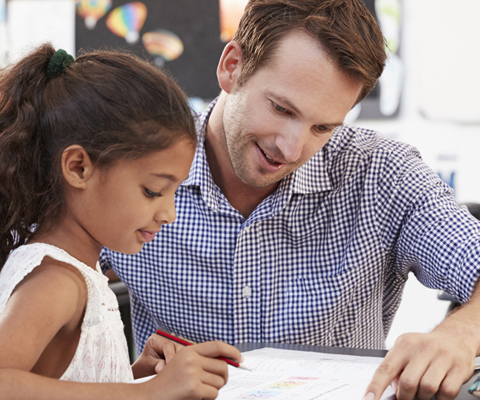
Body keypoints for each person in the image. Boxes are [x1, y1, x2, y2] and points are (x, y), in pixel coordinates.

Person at [100, 1, 480, 399]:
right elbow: (37, 276)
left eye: (323, 127)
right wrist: (132, 380)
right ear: (232, 66)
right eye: (281, 108)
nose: (292, 148)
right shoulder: (138, 166)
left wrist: (462, 333)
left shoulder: (383, 174)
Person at [0, 43, 242, 400]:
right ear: (79, 168)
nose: (169, 214)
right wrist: (151, 393)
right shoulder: (56, 280)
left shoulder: (77, 270)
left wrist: (137, 377)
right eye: (153, 191)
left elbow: (65, 385)